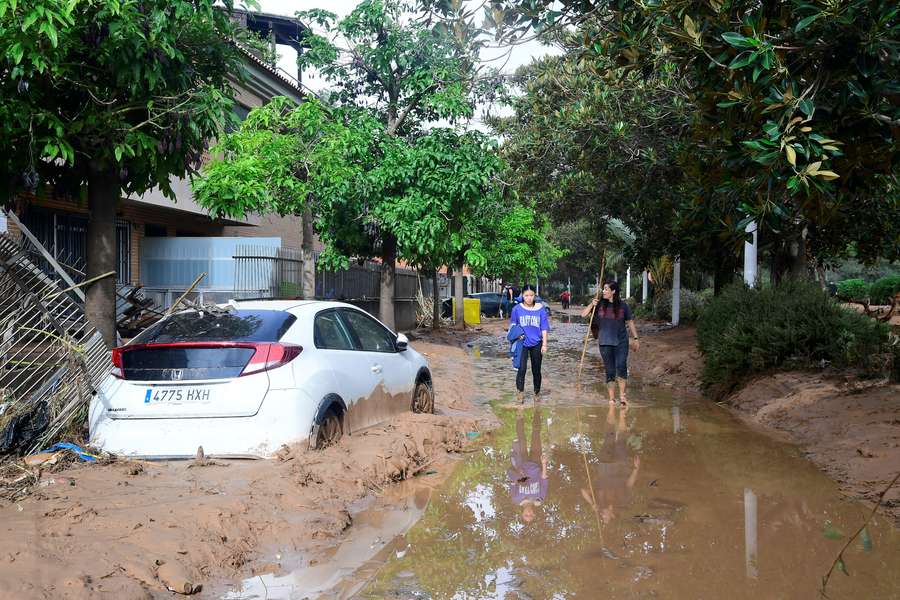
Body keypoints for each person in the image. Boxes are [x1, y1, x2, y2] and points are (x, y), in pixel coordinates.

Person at [581, 402, 640, 525]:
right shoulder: (622, 502)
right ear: (613, 515)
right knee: (622, 439)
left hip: (605, 464)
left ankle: (612, 409)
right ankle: (622, 414)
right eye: (606, 518)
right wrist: (635, 469)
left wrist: (592, 503)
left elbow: (583, 491)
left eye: (602, 518)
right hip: (620, 464)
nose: (603, 515)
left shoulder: (599, 503)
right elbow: (629, 485)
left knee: (609, 435)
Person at [581, 281, 639, 405]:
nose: (603, 291)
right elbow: (583, 314)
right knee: (610, 370)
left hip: (621, 342)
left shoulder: (623, 306)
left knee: (621, 366)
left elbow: (630, 322)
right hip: (605, 342)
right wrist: (592, 304)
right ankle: (612, 399)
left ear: (613, 291)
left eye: (606, 289)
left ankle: (622, 397)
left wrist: (635, 338)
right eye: (603, 289)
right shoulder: (599, 305)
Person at [508, 405, 549, 524]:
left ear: (522, 513)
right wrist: (544, 463)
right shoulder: (540, 499)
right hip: (536, 463)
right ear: (534, 514)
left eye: (526, 515)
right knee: (536, 434)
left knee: (521, 436)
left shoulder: (516, 499)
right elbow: (544, 480)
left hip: (521, 462)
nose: (529, 513)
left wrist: (519, 477)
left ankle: (520, 412)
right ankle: (537, 409)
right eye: (530, 515)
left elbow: (511, 478)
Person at [509, 285, 549, 403]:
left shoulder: (540, 309)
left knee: (536, 370)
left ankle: (537, 394)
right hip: (522, 343)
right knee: (521, 369)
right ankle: (520, 394)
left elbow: (544, 328)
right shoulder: (516, 309)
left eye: (531, 295)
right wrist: (516, 336)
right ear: (522, 295)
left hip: (537, 343)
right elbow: (513, 325)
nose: (529, 298)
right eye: (526, 295)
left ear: (534, 296)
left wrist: (544, 344)